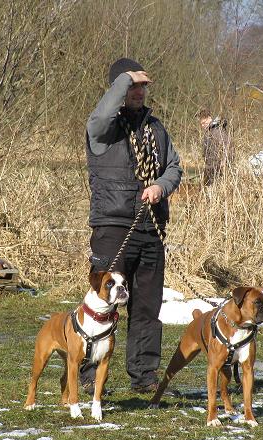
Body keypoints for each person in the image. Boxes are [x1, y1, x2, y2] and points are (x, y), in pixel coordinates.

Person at [83, 58, 183, 393]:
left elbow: (174, 168)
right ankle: (88, 378)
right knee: (102, 304)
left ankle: (144, 377)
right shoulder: (102, 130)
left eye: (142, 85)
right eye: (132, 86)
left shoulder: (157, 129)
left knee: (147, 306)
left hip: (150, 227)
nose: (138, 91)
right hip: (112, 227)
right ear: (118, 89)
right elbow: (101, 113)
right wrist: (124, 78)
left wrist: (160, 186)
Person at [196, 109, 233, 185]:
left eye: (204, 123)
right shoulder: (210, 131)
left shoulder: (217, 130)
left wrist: (224, 162)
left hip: (217, 168)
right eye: (201, 124)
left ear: (209, 118)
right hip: (211, 167)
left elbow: (228, 147)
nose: (202, 126)